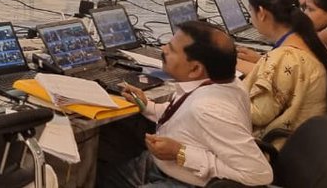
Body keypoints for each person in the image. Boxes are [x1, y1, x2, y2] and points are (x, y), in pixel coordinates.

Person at [100, 21, 272, 188]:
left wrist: (180, 153)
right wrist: (148, 105)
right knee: (105, 175)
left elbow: (259, 175)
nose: (163, 49)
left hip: (187, 180)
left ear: (195, 69)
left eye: (172, 49)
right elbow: (185, 116)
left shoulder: (208, 109)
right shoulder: (225, 83)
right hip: (168, 166)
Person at [232, 0, 327, 147]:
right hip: (312, 142)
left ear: (261, 13)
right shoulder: (311, 41)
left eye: (250, 10)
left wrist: (223, 90)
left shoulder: (284, 57)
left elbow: (258, 114)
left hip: (283, 148)